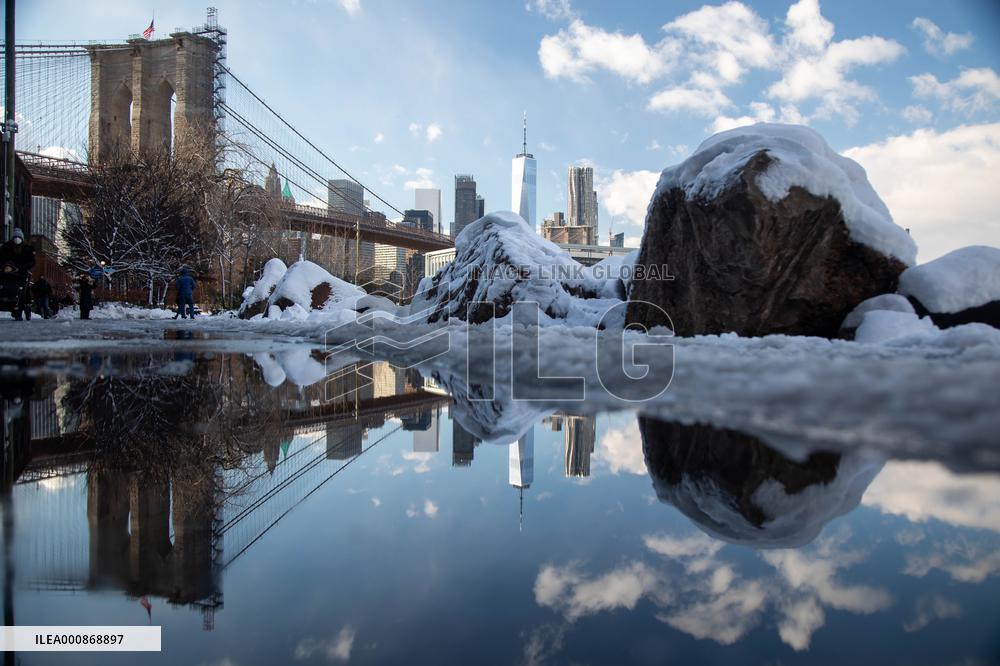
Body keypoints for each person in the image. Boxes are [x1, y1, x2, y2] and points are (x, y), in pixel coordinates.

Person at [0, 228, 36, 320]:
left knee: (23, 290)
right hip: (7, 272)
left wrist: (24, 267)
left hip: (21, 273)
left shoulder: (27, 248)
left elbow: (32, 261)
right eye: (15, 237)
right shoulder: (6, 246)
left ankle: (21, 307)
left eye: (19, 237)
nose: (17, 239)